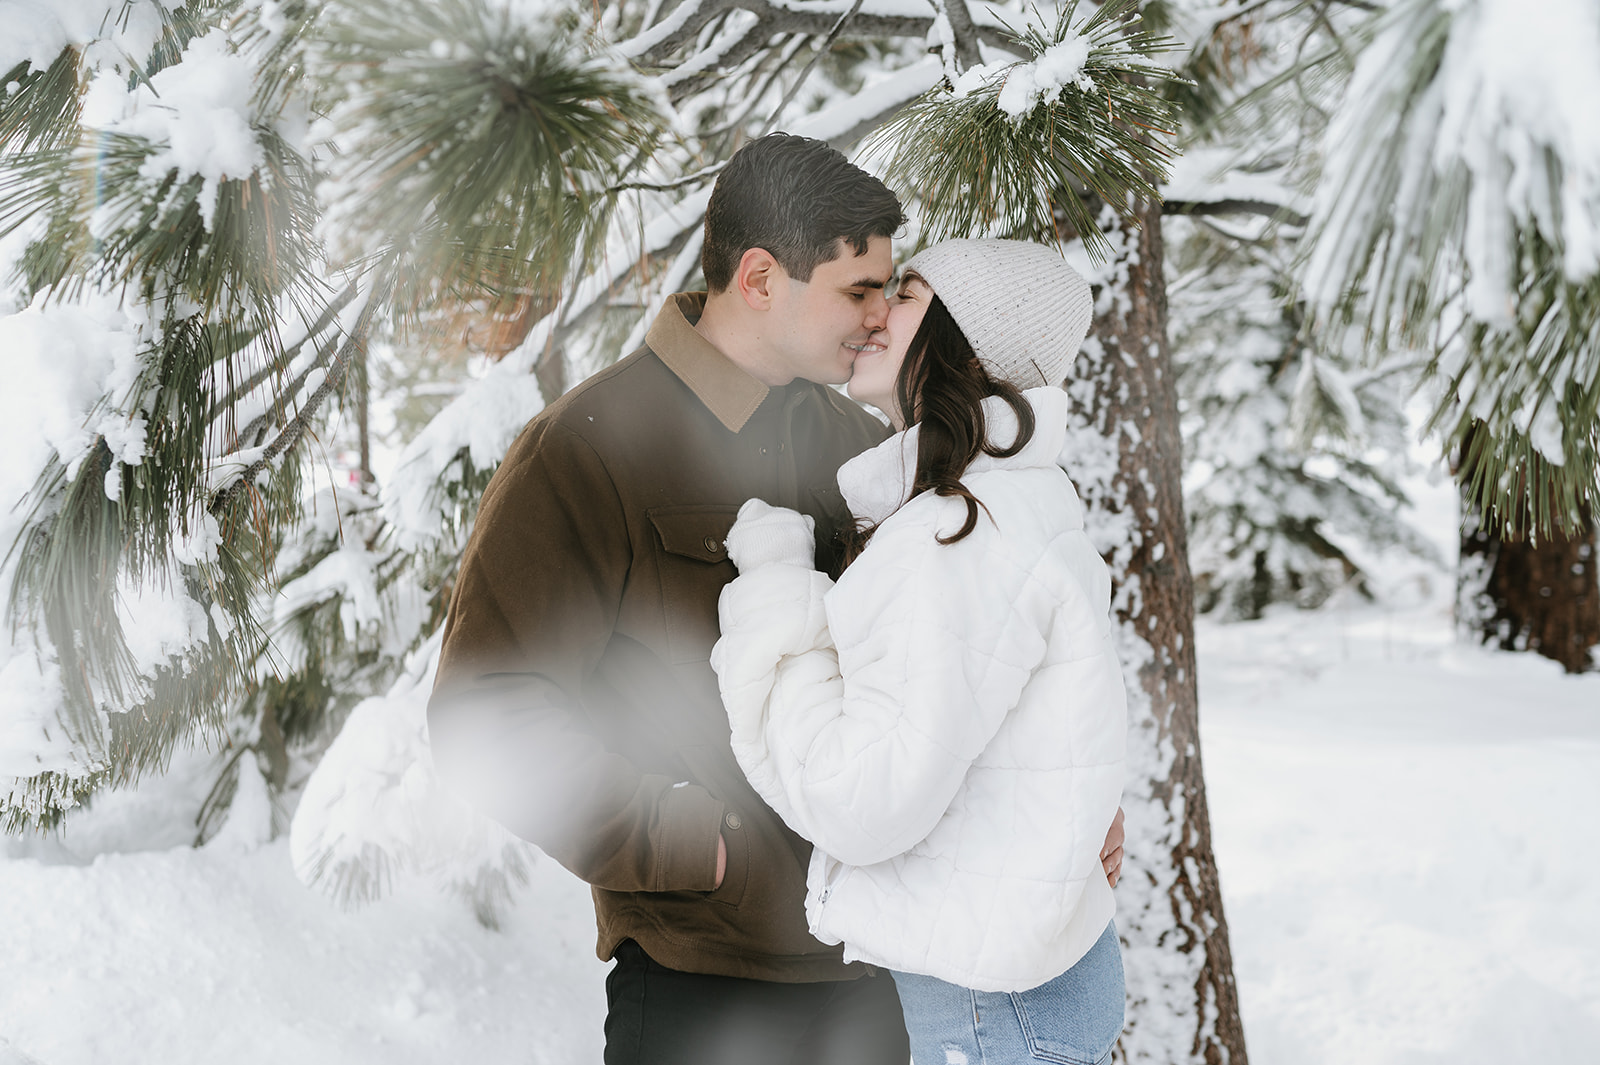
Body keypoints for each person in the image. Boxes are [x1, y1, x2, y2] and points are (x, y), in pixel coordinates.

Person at [428, 131, 1125, 1064]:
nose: (877, 318)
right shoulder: (587, 448)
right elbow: (486, 712)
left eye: (890, 292)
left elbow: (970, 652)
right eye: (857, 290)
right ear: (760, 278)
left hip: (878, 982)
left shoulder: (868, 444)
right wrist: (682, 842)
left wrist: (1056, 814)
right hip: (703, 984)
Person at [710, 238, 1129, 1065]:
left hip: (993, 1010)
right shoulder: (1011, 500)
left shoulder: (959, 531)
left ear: (965, 339)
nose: (874, 313)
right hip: (1018, 989)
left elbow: (860, 796)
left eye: (904, 296)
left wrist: (774, 585)